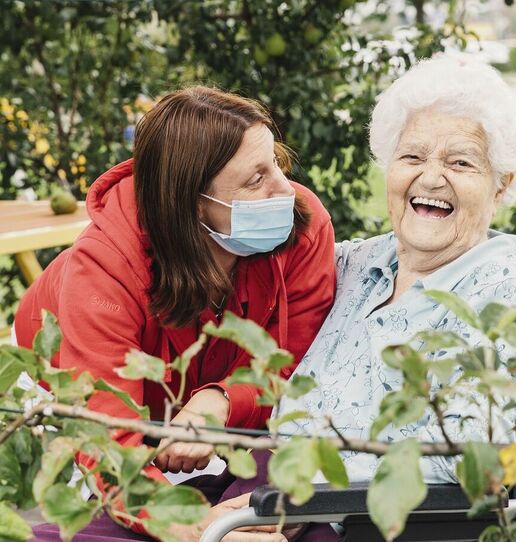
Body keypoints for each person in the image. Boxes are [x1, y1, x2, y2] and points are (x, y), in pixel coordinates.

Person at [18, 86, 336, 540]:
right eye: (255, 179)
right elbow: (107, 441)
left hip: (204, 381)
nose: (286, 190)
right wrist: (197, 528)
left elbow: (293, 358)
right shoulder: (104, 269)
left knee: (282, 491)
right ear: (193, 206)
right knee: (117, 503)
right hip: (92, 377)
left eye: (277, 165)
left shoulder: (302, 226)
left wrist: (218, 402)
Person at [276, 54, 516, 486]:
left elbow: (467, 454)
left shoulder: (505, 290)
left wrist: (307, 492)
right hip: (267, 502)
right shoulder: (355, 264)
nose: (431, 177)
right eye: (412, 156)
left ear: (500, 186)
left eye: (460, 162)